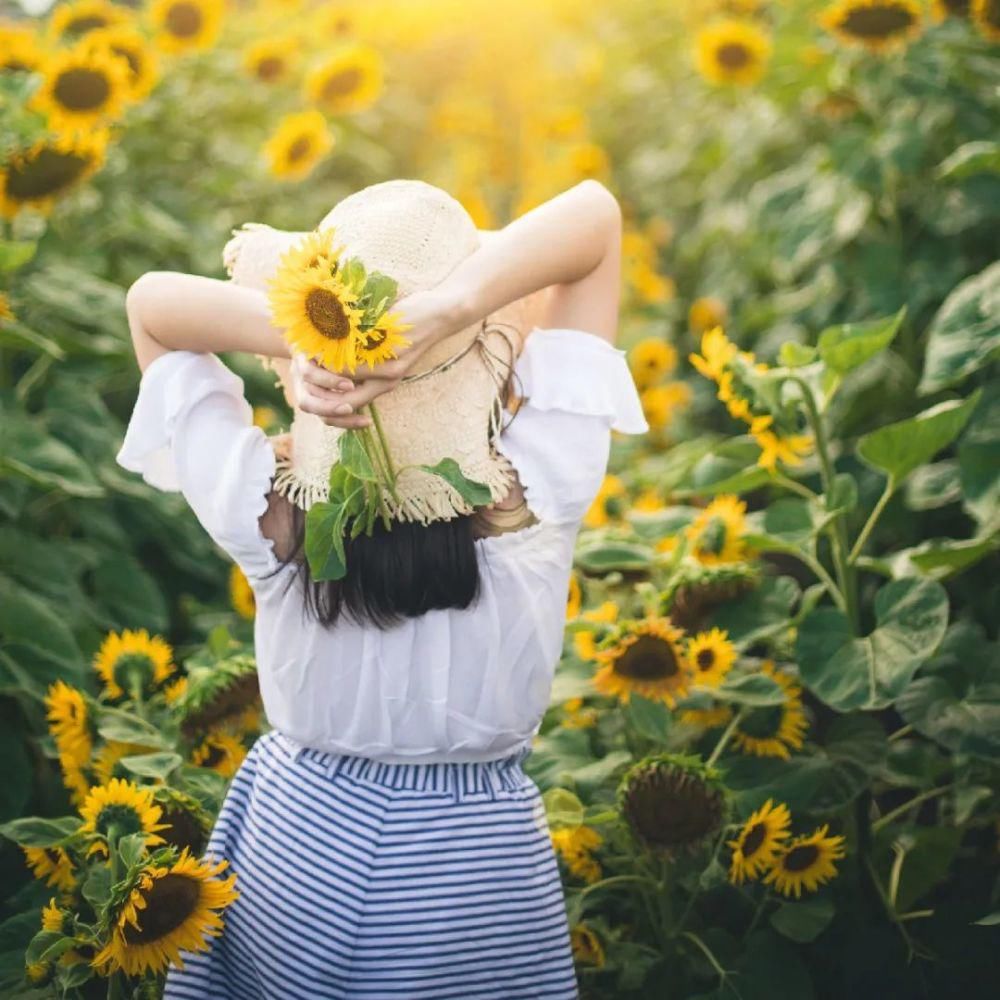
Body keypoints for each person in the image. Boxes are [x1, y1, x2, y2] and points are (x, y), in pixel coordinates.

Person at [117, 177, 649, 999]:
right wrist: (447, 311)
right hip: (475, 875)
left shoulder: (275, 521)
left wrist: (316, 339)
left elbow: (153, 306)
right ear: (484, 366)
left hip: (298, 851)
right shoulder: (539, 493)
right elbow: (594, 220)